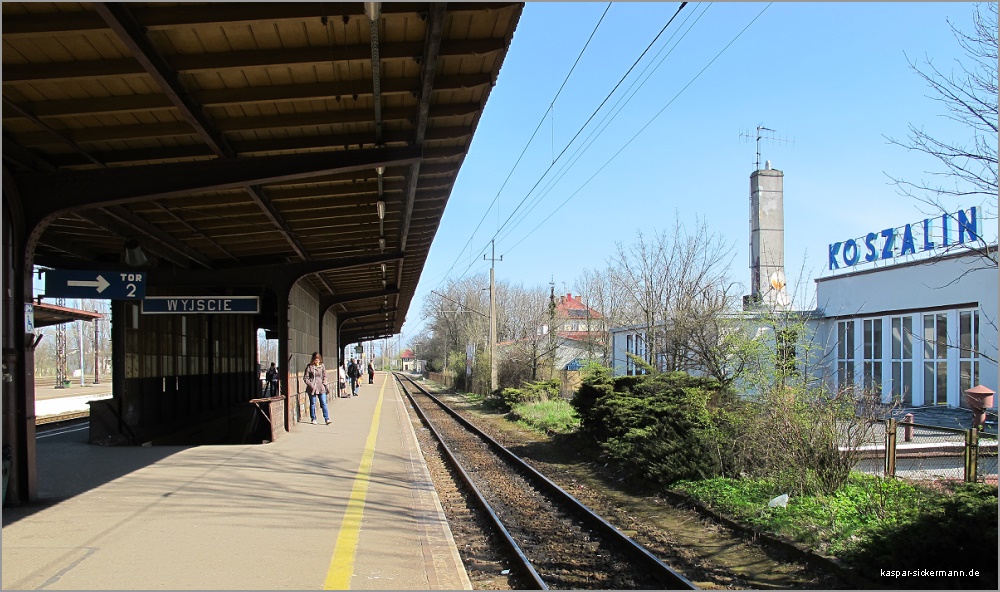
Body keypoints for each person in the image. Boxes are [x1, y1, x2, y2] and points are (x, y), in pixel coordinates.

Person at [303, 352, 330, 424]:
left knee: (324, 403)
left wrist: (324, 382)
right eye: (315, 360)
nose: (317, 361)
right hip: (312, 387)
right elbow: (305, 378)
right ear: (313, 360)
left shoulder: (322, 366)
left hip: (321, 387)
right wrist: (311, 384)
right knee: (313, 403)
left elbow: (325, 375)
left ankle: (327, 419)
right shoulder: (309, 367)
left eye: (318, 360)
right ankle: (313, 418)